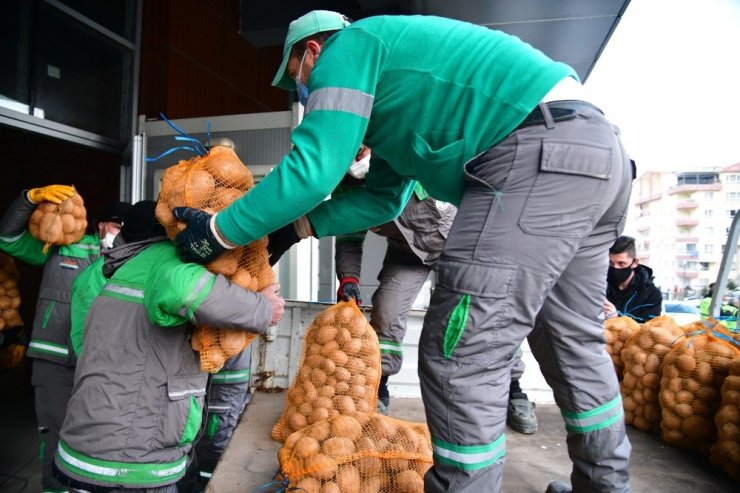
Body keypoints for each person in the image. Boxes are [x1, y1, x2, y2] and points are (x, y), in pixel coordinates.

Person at [171, 11, 634, 493]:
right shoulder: (395, 100)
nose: (304, 92)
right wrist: (300, 227)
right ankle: (604, 486)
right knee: (571, 342)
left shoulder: (346, 49)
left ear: (310, 52)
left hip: (536, 158)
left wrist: (218, 232)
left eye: (297, 79)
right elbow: (384, 198)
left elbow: (315, 167)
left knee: (461, 353)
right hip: (594, 155)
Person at [53, 200, 284, 492]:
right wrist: (263, 308)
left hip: (102, 447)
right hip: (128, 463)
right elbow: (184, 287)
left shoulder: (130, 266)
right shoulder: (165, 261)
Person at [331, 146, 538, 432]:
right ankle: (379, 387)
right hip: (407, 253)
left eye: (360, 147)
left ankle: (514, 388)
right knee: (387, 312)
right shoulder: (346, 187)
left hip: (458, 246)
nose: (354, 155)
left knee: (485, 311)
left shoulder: (405, 158)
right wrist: (349, 278)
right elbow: (348, 238)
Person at [0, 184, 129, 493]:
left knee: (96, 441)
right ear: (100, 225)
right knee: (54, 433)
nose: (119, 232)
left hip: (100, 367)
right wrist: (28, 199)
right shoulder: (63, 246)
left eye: (124, 228)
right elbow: (7, 239)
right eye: (115, 225)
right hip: (53, 361)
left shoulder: (129, 261)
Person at [604, 235, 662, 323]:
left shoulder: (651, 294)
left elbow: (649, 327)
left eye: (621, 263)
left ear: (635, 262)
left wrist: (618, 317)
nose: (615, 268)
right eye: (611, 263)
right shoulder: (600, 285)